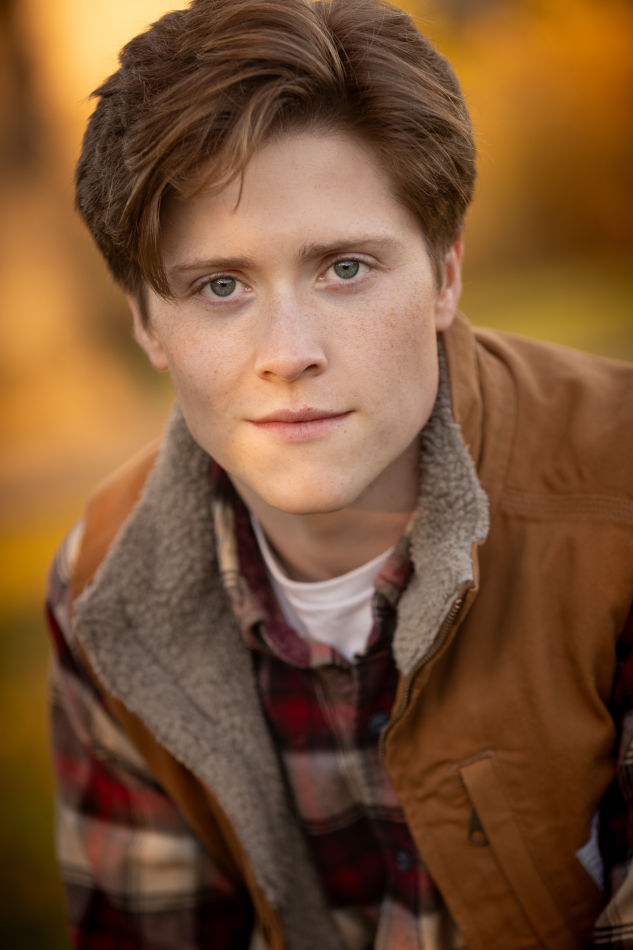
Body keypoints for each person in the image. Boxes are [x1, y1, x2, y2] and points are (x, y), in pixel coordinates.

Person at [46, 0, 633, 947]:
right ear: (147, 323)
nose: (289, 354)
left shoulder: (619, 491)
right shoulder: (105, 583)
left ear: (445, 274)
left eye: (345, 268)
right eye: (220, 286)